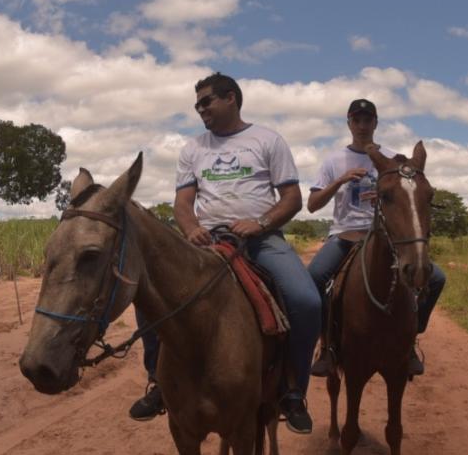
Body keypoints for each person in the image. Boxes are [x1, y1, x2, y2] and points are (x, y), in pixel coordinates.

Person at [126, 72, 320, 434]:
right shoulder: (193, 149)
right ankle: (157, 383)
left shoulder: (267, 140)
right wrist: (191, 229)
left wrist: (260, 222)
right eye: (197, 104)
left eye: (206, 102)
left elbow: (292, 198)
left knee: (306, 300)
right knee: (151, 293)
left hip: (261, 240)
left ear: (231, 98)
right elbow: (183, 202)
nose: (200, 110)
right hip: (207, 239)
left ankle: (293, 392)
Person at [306, 98, 446, 376]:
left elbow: (407, 194)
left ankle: (411, 339)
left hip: (384, 239)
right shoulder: (334, 160)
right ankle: (326, 347)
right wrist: (340, 180)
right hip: (345, 235)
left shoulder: (392, 159)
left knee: (437, 277)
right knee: (315, 277)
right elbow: (312, 204)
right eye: (356, 120)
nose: (361, 125)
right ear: (348, 123)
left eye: (367, 120)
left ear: (375, 123)